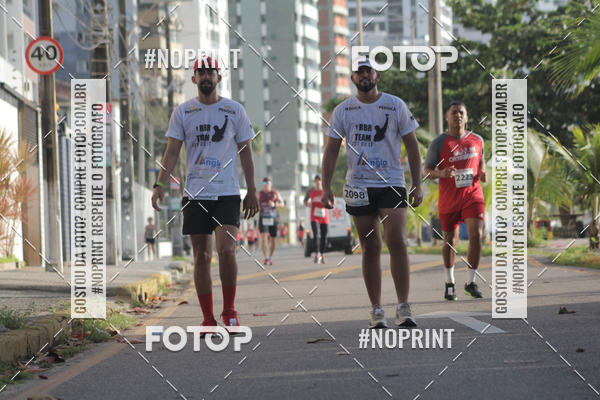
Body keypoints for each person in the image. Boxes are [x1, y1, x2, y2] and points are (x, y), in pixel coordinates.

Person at [152, 55, 259, 332]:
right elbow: (172, 152)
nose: (206, 76)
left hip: (227, 193)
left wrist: (252, 190)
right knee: (200, 256)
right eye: (202, 72)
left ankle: (230, 311)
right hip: (195, 194)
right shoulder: (183, 112)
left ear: (219, 77)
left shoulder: (234, 110)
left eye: (211, 72)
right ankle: (208, 318)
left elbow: (246, 152)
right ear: (194, 78)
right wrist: (159, 185)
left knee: (227, 251)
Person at [321, 57, 423, 329]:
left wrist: (417, 183)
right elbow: (331, 150)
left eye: (368, 71)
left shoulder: (395, 105)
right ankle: (377, 309)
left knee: (397, 240)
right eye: (359, 72)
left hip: (391, 181)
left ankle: (403, 306)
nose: (364, 75)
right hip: (359, 185)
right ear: (353, 78)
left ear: (377, 76)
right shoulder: (344, 110)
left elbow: (412, 145)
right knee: (370, 247)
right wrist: (325, 187)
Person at [424, 101, 486, 301]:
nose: (457, 115)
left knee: (476, 235)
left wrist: (482, 171)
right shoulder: (439, 143)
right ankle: (450, 283)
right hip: (449, 199)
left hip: (472, 195)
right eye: (453, 113)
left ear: (466, 118)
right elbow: (427, 171)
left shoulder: (477, 140)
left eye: (461, 112)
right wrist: (441, 173)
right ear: (447, 117)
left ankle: (471, 282)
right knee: (450, 240)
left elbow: (481, 161)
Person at [304, 174, 330, 264]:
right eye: (316, 180)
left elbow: (333, 200)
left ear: (322, 181)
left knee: (324, 237)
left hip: (324, 217)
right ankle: (317, 254)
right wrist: (308, 204)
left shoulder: (326, 190)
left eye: (319, 180)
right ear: (315, 181)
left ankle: (322, 254)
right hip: (314, 217)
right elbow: (305, 201)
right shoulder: (310, 191)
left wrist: (329, 203)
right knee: (316, 235)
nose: (318, 182)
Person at [258, 177, 283, 265]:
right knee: (263, 238)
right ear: (262, 184)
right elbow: (256, 204)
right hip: (263, 218)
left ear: (271, 184)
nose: (266, 185)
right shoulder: (259, 194)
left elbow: (282, 203)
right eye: (264, 183)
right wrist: (257, 207)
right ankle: (266, 257)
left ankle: (270, 257)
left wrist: (274, 204)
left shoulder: (275, 193)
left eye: (268, 183)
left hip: (273, 218)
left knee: (273, 239)